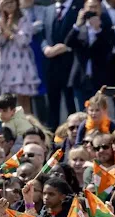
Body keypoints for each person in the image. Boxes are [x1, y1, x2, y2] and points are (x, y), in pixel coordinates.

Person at [0, 0, 40, 114]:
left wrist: (8, 31)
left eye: (12, 2)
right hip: (5, 63)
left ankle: (26, 125)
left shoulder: (23, 18)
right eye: (6, 3)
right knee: (6, 99)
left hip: (21, 62)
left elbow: (24, 40)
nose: (9, 5)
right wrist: (2, 31)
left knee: (23, 99)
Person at [66, 0, 113, 110]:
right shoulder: (79, 28)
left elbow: (108, 48)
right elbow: (68, 42)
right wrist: (77, 25)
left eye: (95, 7)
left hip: (98, 78)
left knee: (99, 110)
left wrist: (97, 30)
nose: (92, 10)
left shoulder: (105, 27)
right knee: (82, 112)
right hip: (80, 78)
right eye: (90, 7)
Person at [42, 0, 81, 128]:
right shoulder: (48, 10)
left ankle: (76, 135)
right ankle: (52, 138)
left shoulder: (79, 6)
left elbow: (84, 32)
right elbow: (41, 33)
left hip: (73, 64)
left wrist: (67, 47)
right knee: (52, 104)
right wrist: (45, 48)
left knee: (72, 103)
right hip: (51, 63)